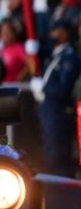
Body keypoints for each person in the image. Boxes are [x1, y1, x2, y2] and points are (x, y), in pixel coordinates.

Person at [34, 20, 80, 177]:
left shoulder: (69, 57)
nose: (53, 34)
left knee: (57, 156)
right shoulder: (54, 55)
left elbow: (63, 88)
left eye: (57, 30)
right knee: (48, 153)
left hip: (58, 111)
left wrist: (44, 87)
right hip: (47, 109)